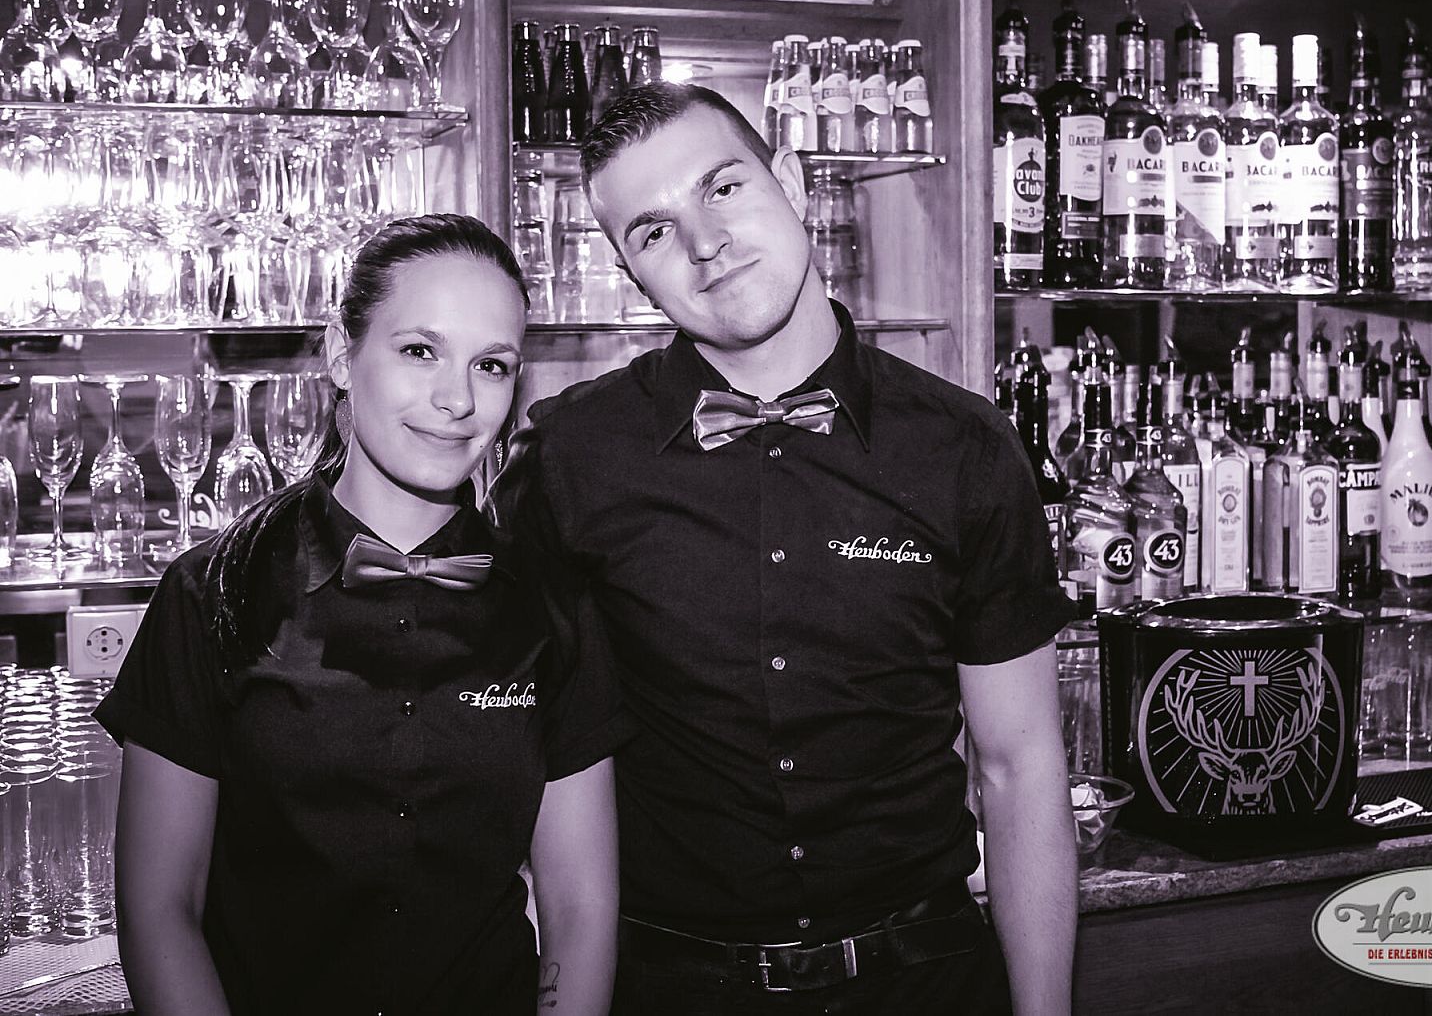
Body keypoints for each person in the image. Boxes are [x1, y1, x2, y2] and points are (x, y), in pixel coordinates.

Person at [492, 84, 1077, 1015]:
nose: (704, 243)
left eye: (723, 188)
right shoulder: (571, 461)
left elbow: (1019, 767)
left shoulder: (964, 447)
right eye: (653, 231)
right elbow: (542, 782)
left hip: (926, 984)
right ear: (631, 274)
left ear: (795, 183)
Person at [96, 214, 627, 1016]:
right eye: (420, 350)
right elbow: (158, 906)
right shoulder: (210, 593)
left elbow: (579, 905)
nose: (456, 399)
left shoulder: (552, 605)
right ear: (342, 355)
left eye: (491, 364)